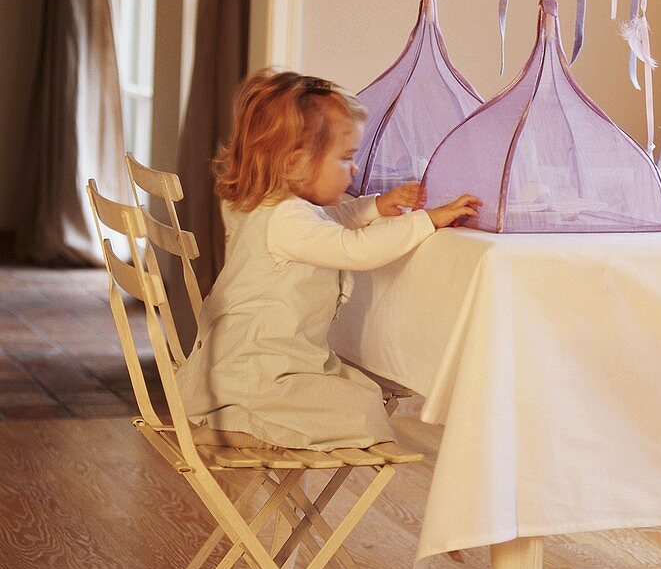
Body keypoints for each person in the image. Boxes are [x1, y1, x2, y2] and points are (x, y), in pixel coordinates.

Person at [177, 68, 480, 450]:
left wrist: (374, 206)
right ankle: (241, 424)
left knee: (359, 393)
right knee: (362, 410)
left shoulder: (274, 206)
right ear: (294, 163)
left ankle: (242, 420)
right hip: (259, 370)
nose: (353, 170)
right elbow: (353, 249)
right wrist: (426, 221)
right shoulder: (287, 220)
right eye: (345, 158)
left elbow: (327, 226)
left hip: (253, 359)